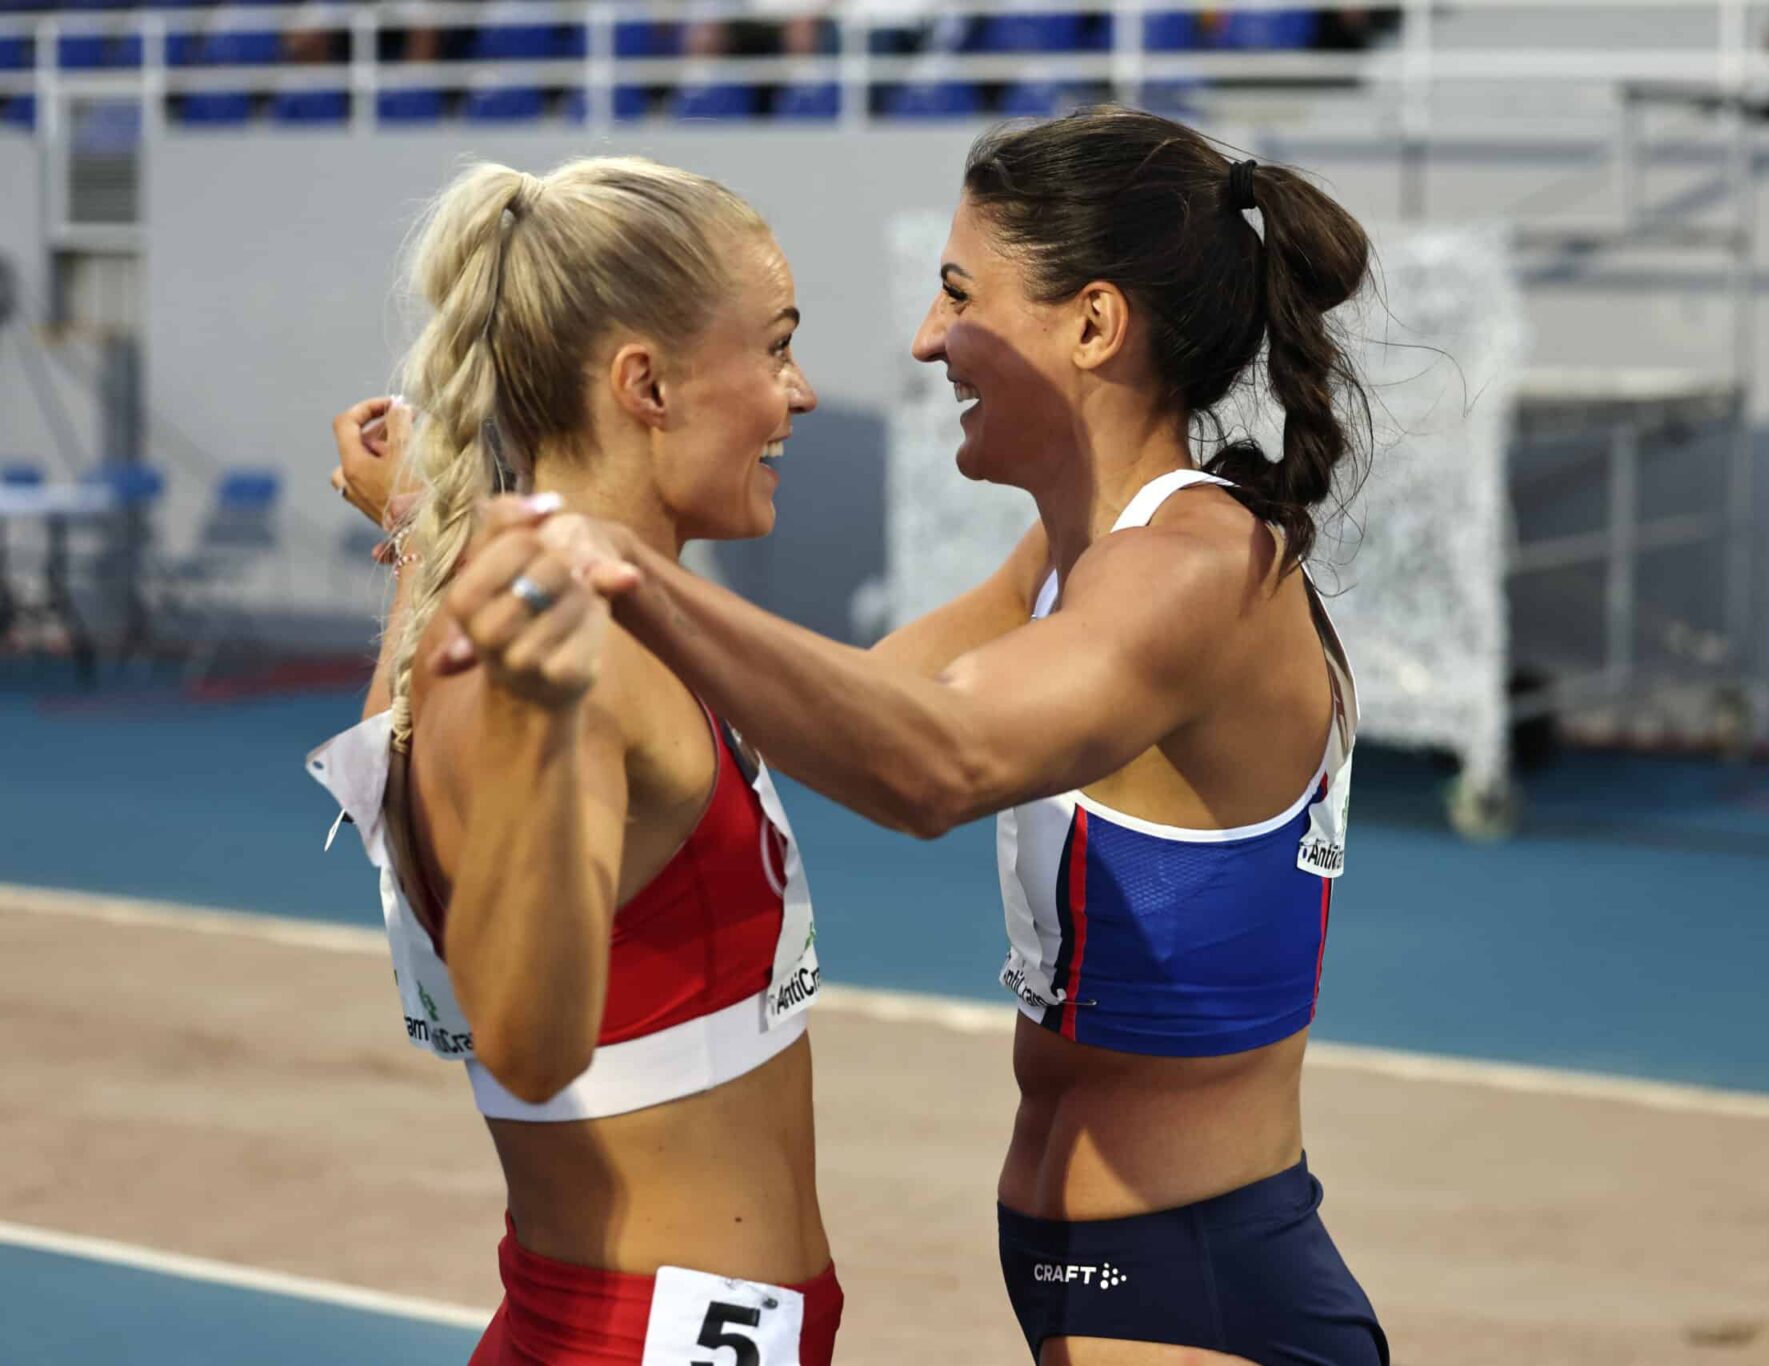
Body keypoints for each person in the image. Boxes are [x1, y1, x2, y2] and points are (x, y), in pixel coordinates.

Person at [436, 107, 1389, 1366]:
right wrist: (439, 531)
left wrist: (622, 566)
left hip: (1190, 1278)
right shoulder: (1069, 557)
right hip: (1102, 1267)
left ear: (1093, 325)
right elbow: (835, 711)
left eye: (959, 293)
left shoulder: (1191, 570)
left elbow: (933, 765)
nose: (928, 337)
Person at [309, 155, 842, 1365]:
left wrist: (416, 528)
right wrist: (544, 723)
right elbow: (525, 1038)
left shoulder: (515, 617)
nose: (799, 393)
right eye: (774, 348)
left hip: (627, 1318)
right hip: (652, 1334)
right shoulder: (566, 661)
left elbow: (883, 718)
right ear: (645, 384)